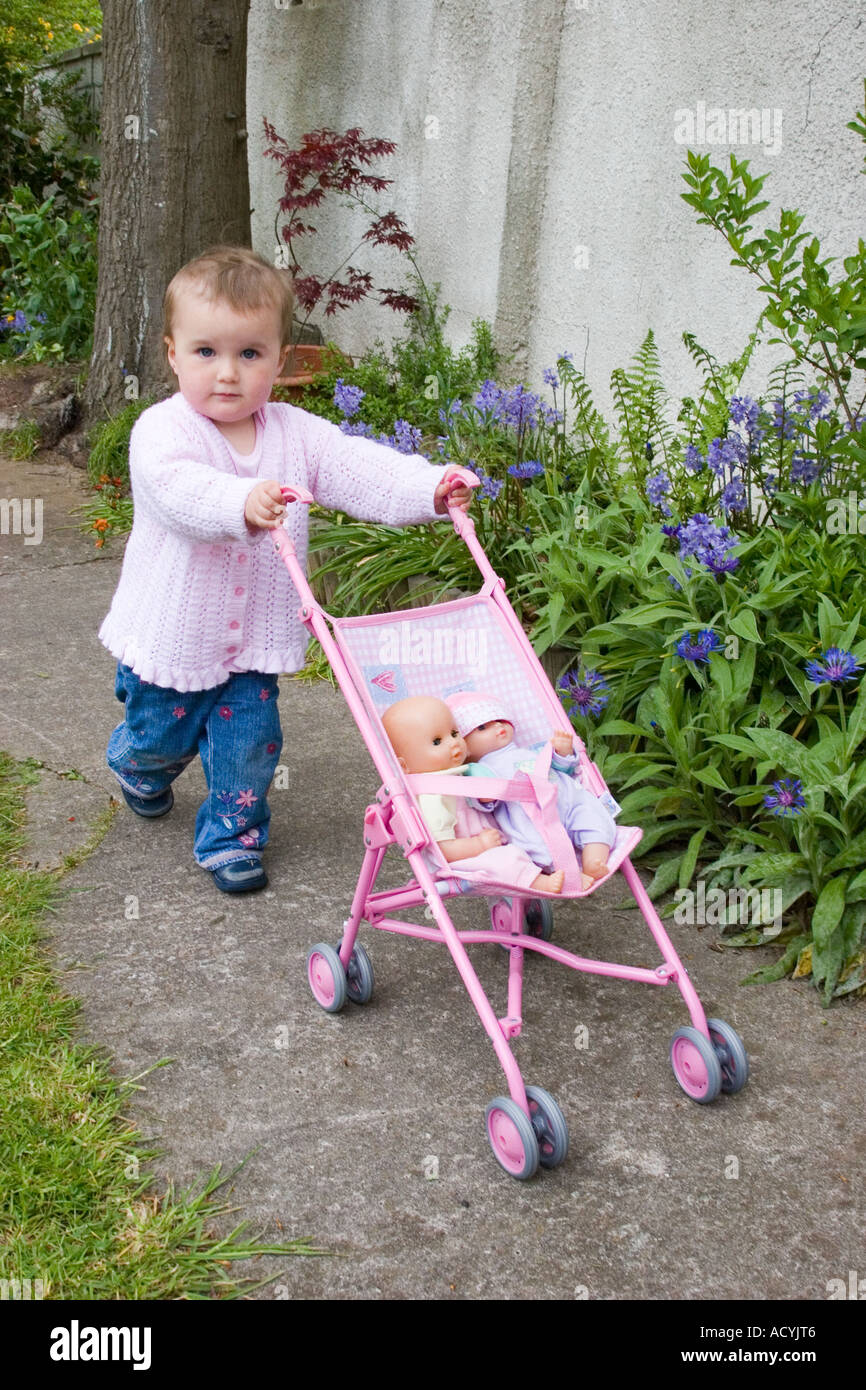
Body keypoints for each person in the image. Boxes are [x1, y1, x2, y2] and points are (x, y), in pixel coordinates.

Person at [99, 245, 473, 893]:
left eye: (249, 354)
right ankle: (139, 764)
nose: (227, 373)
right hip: (173, 638)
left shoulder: (297, 434)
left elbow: (361, 467)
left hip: (253, 651)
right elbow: (176, 491)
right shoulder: (163, 432)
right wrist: (238, 501)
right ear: (172, 353)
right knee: (161, 734)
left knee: (251, 744)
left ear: (279, 358)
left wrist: (429, 488)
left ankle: (232, 835)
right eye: (205, 352)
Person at [381, 695, 564, 893]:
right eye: (437, 742)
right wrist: (479, 844)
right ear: (404, 766)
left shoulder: (461, 773)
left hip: (489, 844)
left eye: (454, 733)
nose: (454, 743)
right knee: (505, 862)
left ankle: (551, 865)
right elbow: (441, 849)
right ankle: (540, 883)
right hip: (460, 858)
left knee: (522, 846)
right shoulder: (433, 796)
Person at [446, 691, 616, 891]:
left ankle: (593, 859)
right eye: (482, 727)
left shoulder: (532, 750)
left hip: (569, 800)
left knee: (594, 815)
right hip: (530, 815)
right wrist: (484, 797)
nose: (498, 727)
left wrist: (562, 753)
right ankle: (567, 873)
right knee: (537, 844)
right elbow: (479, 800)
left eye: (500, 720)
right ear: (466, 749)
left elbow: (563, 770)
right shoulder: (479, 768)